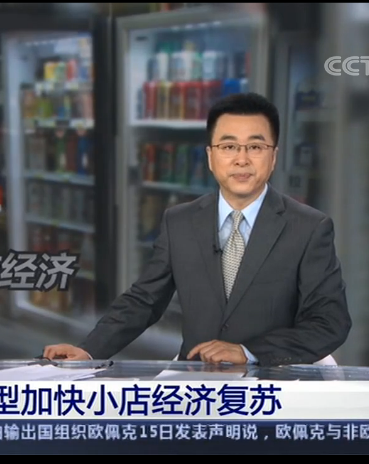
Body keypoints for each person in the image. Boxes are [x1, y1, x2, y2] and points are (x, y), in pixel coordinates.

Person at [44, 93, 351, 366]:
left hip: (276, 383)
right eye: (228, 146)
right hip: (196, 377)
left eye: (255, 147)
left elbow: (330, 322)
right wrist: (89, 350)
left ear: (273, 157)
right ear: (210, 157)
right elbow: (144, 300)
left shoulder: (309, 228)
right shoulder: (179, 222)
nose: (241, 159)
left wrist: (249, 352)